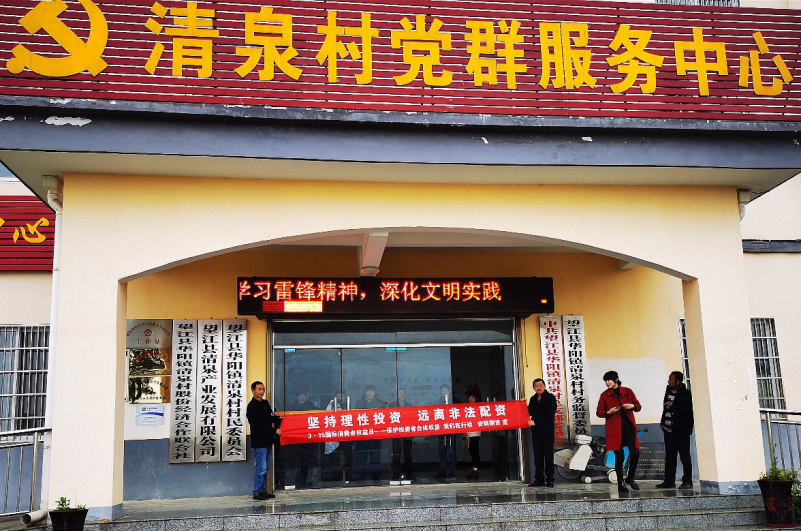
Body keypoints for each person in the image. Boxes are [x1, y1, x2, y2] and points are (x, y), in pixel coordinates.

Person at [596, 371, 642, 493]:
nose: (607, 383)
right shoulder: (604, 395)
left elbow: (638, 406)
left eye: (609, 380)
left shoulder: (628, 391)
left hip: (628, 427)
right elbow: (599, 412)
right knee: (619, 456)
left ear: (616, 380)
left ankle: (630, 477)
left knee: (635, 453)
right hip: (614, 429)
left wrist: (632, 406)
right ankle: (620, 483)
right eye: (605, 381)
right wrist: (608, 412)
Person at [657, 371, 694, 489]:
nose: (668, 381)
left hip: (681, 431)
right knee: (670, 457)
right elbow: (665, 408)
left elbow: (688, 411)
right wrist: (662, 422)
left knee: (684, 456)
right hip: (668, 431)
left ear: (677, 382)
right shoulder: (668, 391)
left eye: (671, 379)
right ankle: (669, 480)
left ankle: (687, 481)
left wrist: (674, 406)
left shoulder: (686, 394)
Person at [246, 381, 282, 500]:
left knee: (265, 468)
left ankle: (263, 491)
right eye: (259, 389)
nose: (262, 391)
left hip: (267, 441)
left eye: (263, 389)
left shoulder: (265, 403)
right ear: (253, 391)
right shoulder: (252, 406)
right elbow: (259, 425)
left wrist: (279, 418)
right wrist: (274, 431)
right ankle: (257, 492)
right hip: (259, 441)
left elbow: (270, 417)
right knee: (260, 468)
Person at [285, 391, 319, 487]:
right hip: (295, 439)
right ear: (296, 396)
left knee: (306, 462)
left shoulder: (311, 406)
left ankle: (304, 482)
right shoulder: (291, 407)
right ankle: (291, 482)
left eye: (304, 395)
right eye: (300, 395)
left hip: (307, 439)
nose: (303, 397)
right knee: (294, 461)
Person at [527, 378, 557, 487]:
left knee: (548, 457)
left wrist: (536, 422)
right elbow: (529, 411)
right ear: (533, 388)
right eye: (536, 386)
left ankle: (550, 480)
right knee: (538, 457)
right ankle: (539, 480)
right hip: (536, 432)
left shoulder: (550, 398)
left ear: (544, 386)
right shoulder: (533, 399)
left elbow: (550, 414)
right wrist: (522, 404)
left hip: (547, 432)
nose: (539, 388)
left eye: (541, 385)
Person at [353, 384, 386, 481]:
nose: (370, 393)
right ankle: (360, 477)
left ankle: (376, 478)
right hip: (361, 436)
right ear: (365, 393)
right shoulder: (359, 403)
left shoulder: (380, 404)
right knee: (360, 457)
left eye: (372, 391)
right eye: (368, 391)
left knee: (375, 458)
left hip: (375, 436)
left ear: (375, 393)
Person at [390, 388, 415, 481]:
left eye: (403, 393)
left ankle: (409, 474)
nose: (401, 394)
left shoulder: (409, 406)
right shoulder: (391, 406)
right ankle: (395, 474)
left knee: (408, 455)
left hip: (407, 435)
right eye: (399, 393)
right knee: (396, 455)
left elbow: (413, 420)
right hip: (396, 435)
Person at [435, 384, 457, 480]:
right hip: (442, 430)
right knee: (442, 451)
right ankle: (443, 471)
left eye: (446, 390)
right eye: (443, 391)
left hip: (451, 430)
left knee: (451, 452)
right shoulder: (439, 402)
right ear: (440, 392)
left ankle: (452, 471)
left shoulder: (454, 401)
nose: (444, 393)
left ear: (449, 391)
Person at [464, 390, 482, 480]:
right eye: (469, 398)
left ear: (476, 399)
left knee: (474, 451)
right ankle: (475, 470)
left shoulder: (478, 408)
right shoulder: (466, 408)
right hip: (469, 433)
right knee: (471, 451)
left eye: (472, 398)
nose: (470, 399)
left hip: (475, 433)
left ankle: (476, 470)